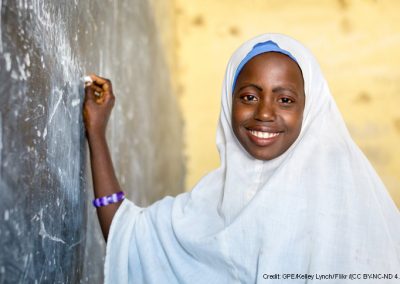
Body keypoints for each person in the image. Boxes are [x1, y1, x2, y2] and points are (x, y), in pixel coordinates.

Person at [83, 33, 400, 283]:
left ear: (311, 109)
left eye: (285, 100)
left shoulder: (345, 210)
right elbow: (132, 239)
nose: (264, 113)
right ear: (227, 102)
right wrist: (97, 135)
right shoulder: (214, 200)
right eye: (249, 96)